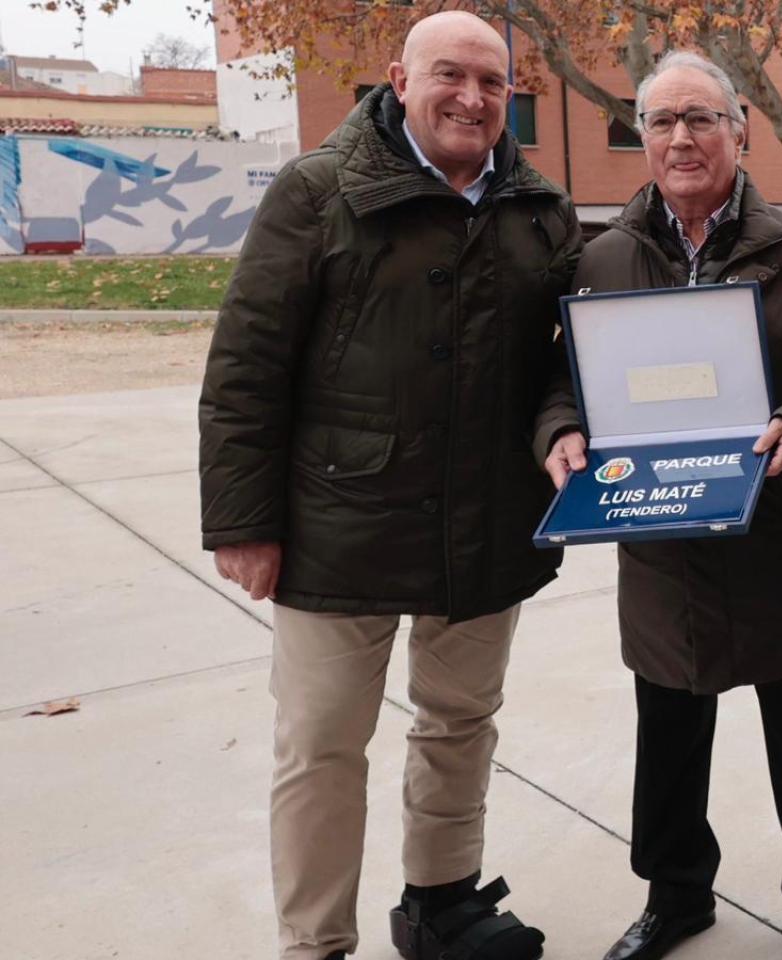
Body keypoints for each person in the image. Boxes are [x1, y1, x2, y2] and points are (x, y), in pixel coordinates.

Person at [198, 11, 581, 960]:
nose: (472, 98)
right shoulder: (318, 191)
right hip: (341, 520)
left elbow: (561, 363)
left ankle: (442, 903)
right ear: (399, 79)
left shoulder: (541, 209)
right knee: (322, 746)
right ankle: (315, 941)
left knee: (461, 723)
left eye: (493, 83)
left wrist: (564, 424)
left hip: (488, 518)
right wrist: (243, 520)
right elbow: (247, 365)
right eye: (450, 75)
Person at [534, 50, 782, 960]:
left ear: (740, 129)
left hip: (778, 535)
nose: (681, 138)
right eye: (661, 121)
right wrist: (559, 430)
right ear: (642, 137)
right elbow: (560, 380)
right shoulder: (602, 258)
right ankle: (676, 893)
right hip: (660, 547)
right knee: (670, 733)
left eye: (700, 118)